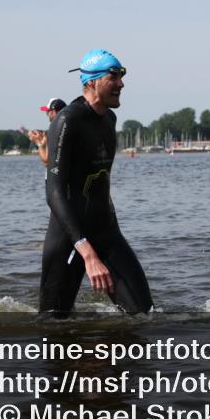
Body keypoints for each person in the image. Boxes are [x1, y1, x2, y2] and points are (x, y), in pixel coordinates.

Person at [39, 49, 153, 317]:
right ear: (91, 81)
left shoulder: (109, 119)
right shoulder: (68, 121)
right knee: (54, 325)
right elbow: (54, 193)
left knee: (145, 316)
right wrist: (88, 255)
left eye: (122, 76)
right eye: (114, 77)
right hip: (69, 239)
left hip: (107, 232)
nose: (121, 84)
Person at [29, 98, 66, 166]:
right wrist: (44, 143)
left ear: (53, 112)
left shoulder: (56, 129)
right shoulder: (66, 127)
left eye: (47, 112)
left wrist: (39, 143)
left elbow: (47, 161)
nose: (47, 114)